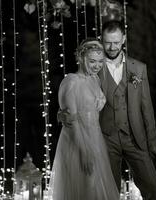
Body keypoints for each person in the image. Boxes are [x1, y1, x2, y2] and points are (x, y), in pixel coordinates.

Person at [59, 20, 156, 200]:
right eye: (108, 42)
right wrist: (63, 114)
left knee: (152, 187)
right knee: (109, 191)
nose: (112, 46)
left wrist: (153, 140)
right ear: (102, 39)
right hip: (105, 139)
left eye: (116, 42)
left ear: (123, 39)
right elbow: (77, 98)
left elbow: (146, 108)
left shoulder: (138, 69)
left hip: (135, 137)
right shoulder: (94, 68)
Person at [49, 39, 120, 200]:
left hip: (95, 139)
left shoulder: (95, 79)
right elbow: (71, 122)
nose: (97, 66)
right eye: (92, 61)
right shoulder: (71, 82)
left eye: (100, 61)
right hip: (77, 141)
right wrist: (84, 152)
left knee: (96, 187)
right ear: (81, 58)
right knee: (84, 186)